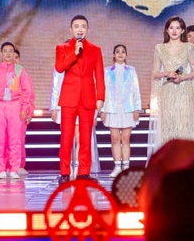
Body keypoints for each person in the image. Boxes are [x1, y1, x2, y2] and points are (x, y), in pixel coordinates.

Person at [55, 15, 105, 183]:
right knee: (66, 137)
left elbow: (99, 75)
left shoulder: (95, 49)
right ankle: (64, 172)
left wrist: (100, 97)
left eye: (83, 26)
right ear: (71, 29)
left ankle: (84, 172)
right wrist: (75, 53)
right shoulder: (62, 48)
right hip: (69, 98)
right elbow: (59, 67)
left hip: (88, 98)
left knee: (85, 138)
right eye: (76, 26)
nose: (80, 29)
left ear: (87, 29)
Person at [149, 16, 194, 155]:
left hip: (184, 92)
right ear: (167, 30)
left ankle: (185, 161)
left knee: (184, 128)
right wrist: (166, 73)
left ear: (182, 30)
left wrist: (182, 78)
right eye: (171, 27)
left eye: (178, 28)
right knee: (168, 128)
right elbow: (154, 73)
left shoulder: (189, 47)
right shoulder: (159, 48)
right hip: (167, 92)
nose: (174, 30)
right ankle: (169, 162)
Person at [0, 42, 34, 179]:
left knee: (15, 139)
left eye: (10, 51)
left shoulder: (19, 70)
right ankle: (1, 169)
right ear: (1, 53)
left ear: (14, 53)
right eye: (5, 51)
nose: (8, 53)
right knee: (0, 139)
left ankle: (14, 169)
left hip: (15, 105)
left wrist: (25, 107)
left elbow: (27, 90)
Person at [50, 69, 101, 176]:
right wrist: (54, 107)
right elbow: (55, 87)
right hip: (65, 104)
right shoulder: (61, 66)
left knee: (80, 138)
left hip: (83, 103)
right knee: (67, 139)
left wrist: (95, 113)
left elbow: (94, 87)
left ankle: (79, 167)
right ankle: (67, 168)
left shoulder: (86, 65)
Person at [102, 44, 141, 177]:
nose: (120, 54)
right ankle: (117, 167)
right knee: (115, 138)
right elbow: (103, 91)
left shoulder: (131, 71)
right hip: (112, 108)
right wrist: (103, 109)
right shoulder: (107, 71)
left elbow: (136, 90)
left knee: (125, 138)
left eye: (123, 52)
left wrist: (137, 108)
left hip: (128, 108)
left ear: (126, 55)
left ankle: (126, 167)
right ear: (114, 55)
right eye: (117, 52)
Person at [14, 49, 33, 177]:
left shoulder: (24, 76)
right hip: (6, 111)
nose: (14, 59)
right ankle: (8, 166)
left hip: (21, 112)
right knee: (6, 140)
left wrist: (29, 112)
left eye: (16, 57)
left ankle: (19, 165)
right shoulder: (2, 75)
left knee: (19, 139)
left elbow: (30, 96)